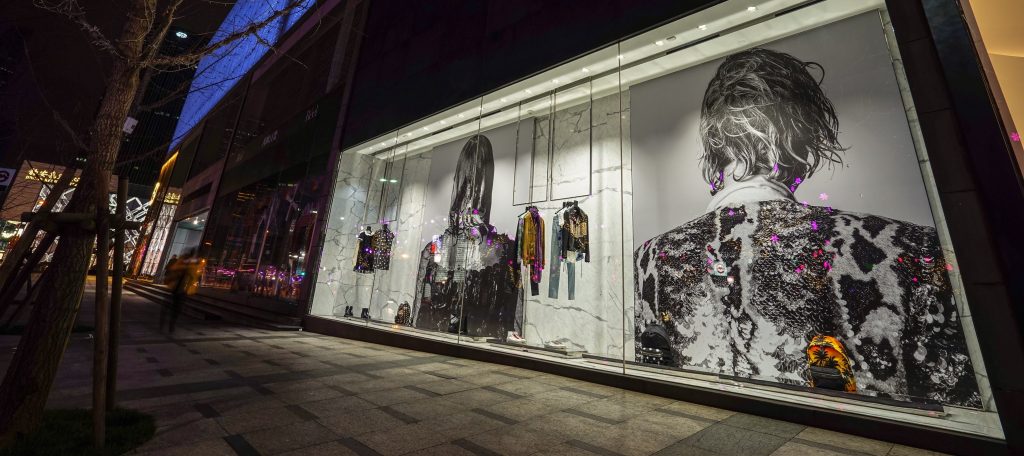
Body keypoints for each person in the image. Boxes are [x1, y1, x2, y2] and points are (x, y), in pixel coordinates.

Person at [633, 48, 981, 408]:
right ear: (801, 140)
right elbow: (960, 412)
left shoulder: (649, 258)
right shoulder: (911, 248)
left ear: (714, 146)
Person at [161, 250, 200, 334]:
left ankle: (171, 323)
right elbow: (173, 269)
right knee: (172, 307)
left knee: (176, 308)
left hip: (181, 290)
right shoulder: (182, 263)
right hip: (175, 288)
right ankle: (167, 321)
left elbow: (193, 277)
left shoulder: (190, 266)